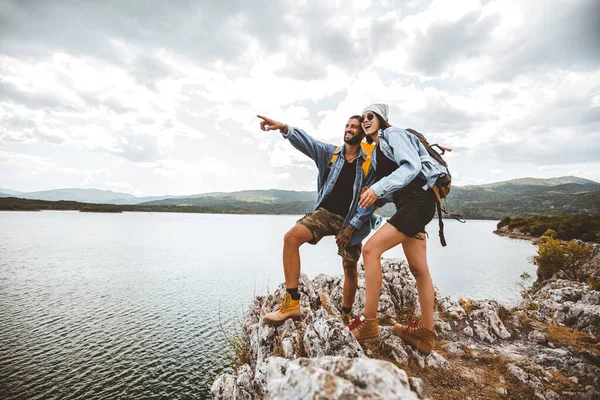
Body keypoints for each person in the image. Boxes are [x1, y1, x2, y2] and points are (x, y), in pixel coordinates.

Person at [257, 114, 378, 326]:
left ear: (362, 133)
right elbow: (308, 143)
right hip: (325, 214)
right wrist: (284, 128)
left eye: (354, 127)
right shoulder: (330, 154)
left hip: (352, 219)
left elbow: (371, 201)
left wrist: (352, 227)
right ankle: (292, 303)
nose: (349, 129)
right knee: (291, 238)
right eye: (347, 125)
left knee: (349, 267)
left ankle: (346, 314)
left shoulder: (369, 162)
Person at [348, 104, 447, 354]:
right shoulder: (380, 148)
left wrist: (376, 189)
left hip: (417, 203)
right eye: (363, 118)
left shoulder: (393, 134)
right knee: (419, 269)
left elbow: (411, 167)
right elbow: (399, 185)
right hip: (413, 204)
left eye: (370, 116)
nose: (365, 120)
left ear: (381, 118)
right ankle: (426, 334)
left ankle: (369, 324)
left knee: (371, 251)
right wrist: (376, 196)